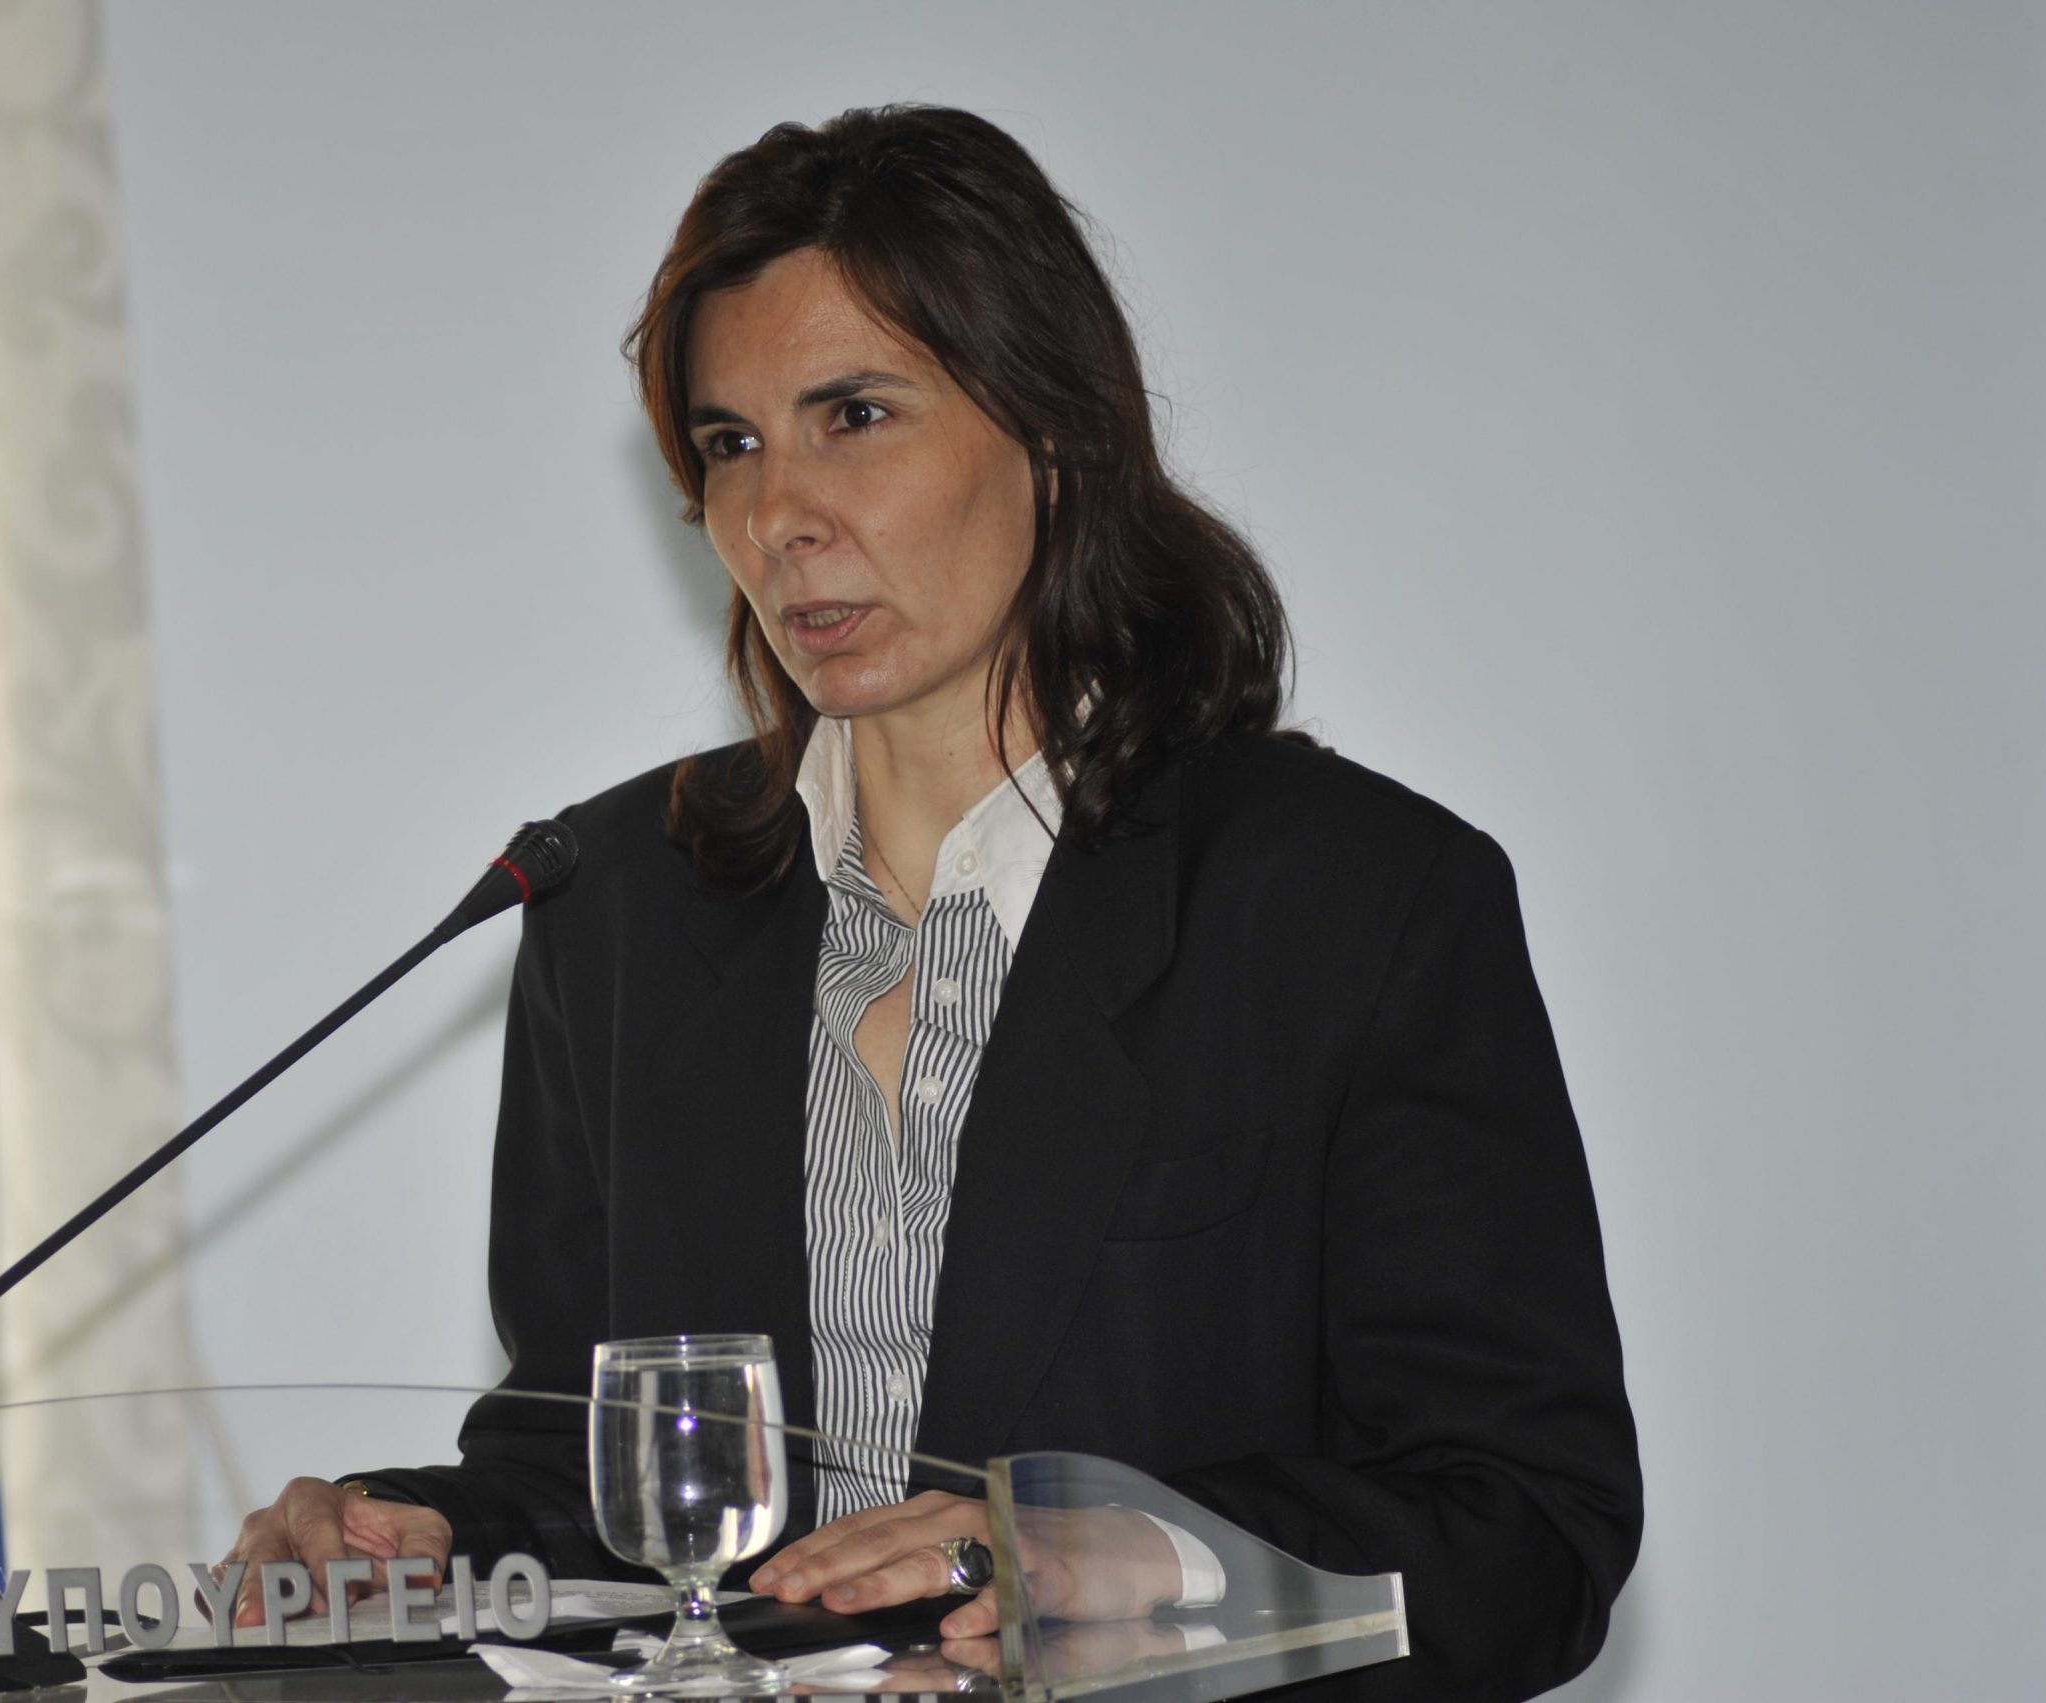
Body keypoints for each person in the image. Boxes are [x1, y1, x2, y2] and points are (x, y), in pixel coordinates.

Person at [221, 104, 1641, 1699]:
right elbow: (601, 1485)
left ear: (1053, 432)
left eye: (855, 416)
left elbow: (1529, 1534)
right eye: (731, 444)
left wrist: (1131, 1559)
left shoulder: (1349, 902)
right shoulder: (614, 905)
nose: (779, 513)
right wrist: (413, 1537)